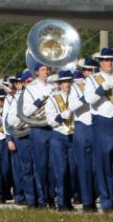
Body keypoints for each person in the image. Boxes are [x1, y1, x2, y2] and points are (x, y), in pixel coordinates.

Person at [85, 48, 113, 213]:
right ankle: (106, 201)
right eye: (106, 60)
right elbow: (90, 99)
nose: (110, 63)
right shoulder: (93, 79)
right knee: (103, 165)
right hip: (102, 122)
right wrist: (104, 86)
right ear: (101, 62)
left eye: (112, 60)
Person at [21, 64, 55, 208]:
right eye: (43, 70)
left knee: (53, 166)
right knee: (40, 166)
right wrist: (38, 102)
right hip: (38, 129)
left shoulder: (54, 86)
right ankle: (42, 199)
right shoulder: (30, 89)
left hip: (53, 128)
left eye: (47, 69)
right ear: (37, 72)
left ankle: (52, 198)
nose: (46, 72)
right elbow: (26, 112)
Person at [68, 58, 99, 212]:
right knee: (84, 166)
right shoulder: (76, 86)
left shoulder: (101, 84)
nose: (89, 73)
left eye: (92, 70)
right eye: (86, 70)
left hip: (98, 126)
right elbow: (71, 106)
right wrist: (85, 97)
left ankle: (95, 196)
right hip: (82, 126)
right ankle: (87, 202)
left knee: (97, 167)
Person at [44, 70, 75, 211]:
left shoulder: (74, 96)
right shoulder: (53, 98)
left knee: (72, 170)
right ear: (60, 84)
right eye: (64, 82)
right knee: (61, 170)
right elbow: (50, 120)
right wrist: (61, 116)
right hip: (58, 135)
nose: (67, 84)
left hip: (73, 135)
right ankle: (62, 202)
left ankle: (68, 201)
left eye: (68, 81)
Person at [6, 71, 36, 207]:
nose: (32, 84)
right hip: (23, 135)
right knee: (25, 169)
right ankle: (28, 198)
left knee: (40, 168)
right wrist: (9, 138)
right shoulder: (17, 98)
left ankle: (42, 198)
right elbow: (8, 120)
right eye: (28, 82)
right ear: (23, 84)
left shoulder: (40, 95)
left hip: (38, 134)